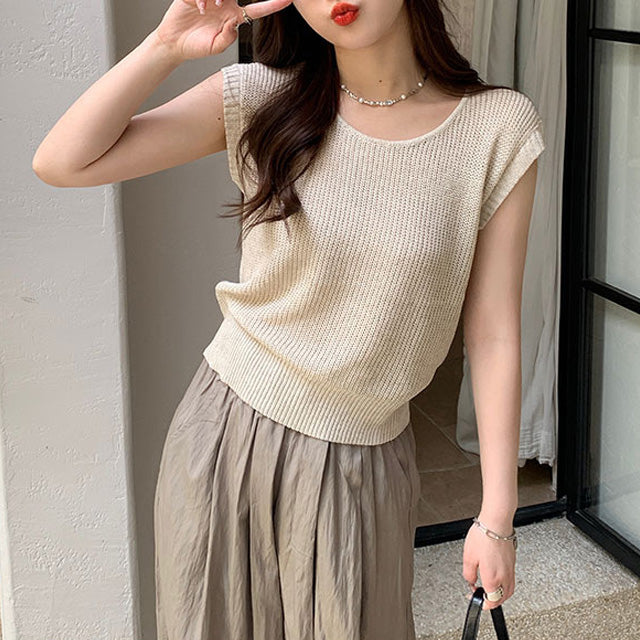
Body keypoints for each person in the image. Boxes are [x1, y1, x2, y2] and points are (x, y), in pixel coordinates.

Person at [32, 0, 545, 637]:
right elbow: (62, 161)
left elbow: (492, 332)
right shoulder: (262, 98)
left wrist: (497, 516)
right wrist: (165, 45)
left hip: (366, 460)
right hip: (226, 438)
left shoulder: (497, 128)